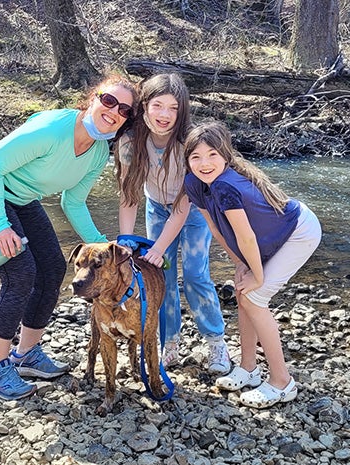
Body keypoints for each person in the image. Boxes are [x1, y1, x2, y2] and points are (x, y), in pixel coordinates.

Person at [0, 73, 138, 401]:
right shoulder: (54, 128)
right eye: (109, 101)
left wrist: (107, 246)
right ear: (93, 99)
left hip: (21, 199)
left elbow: (74, 201)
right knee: (20, 274)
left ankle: (26, 354)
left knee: (52, 267)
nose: (114, 111)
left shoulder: (97, 153)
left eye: (124, 110)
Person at [181, 121, 321, 408]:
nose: (204, 163)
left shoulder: (225, 186)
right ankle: (249, 368)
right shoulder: (193, 183)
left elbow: (245, 236)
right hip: (267, 239)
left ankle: (282, 382)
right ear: (187, 160)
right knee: (243, 292)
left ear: (226, 156)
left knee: (255, 297)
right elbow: (217, 228)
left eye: (212, 155)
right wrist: (240, 265)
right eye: (196, 157)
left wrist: (256, 275)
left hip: (298, 233)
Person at [114, 73, 230, 375]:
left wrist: (159, 249)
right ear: (144, 106)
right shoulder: (129, 142)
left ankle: (216, 342)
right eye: (158, 106)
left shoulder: (187, 143)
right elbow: (129, 197)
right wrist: (125, 242)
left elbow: (182, 207)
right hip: (156, 209)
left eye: (173, 108)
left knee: (195, 274)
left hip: (192, 211)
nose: (165, 115)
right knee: (162, 280)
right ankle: (170, 343)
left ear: (183, 111)